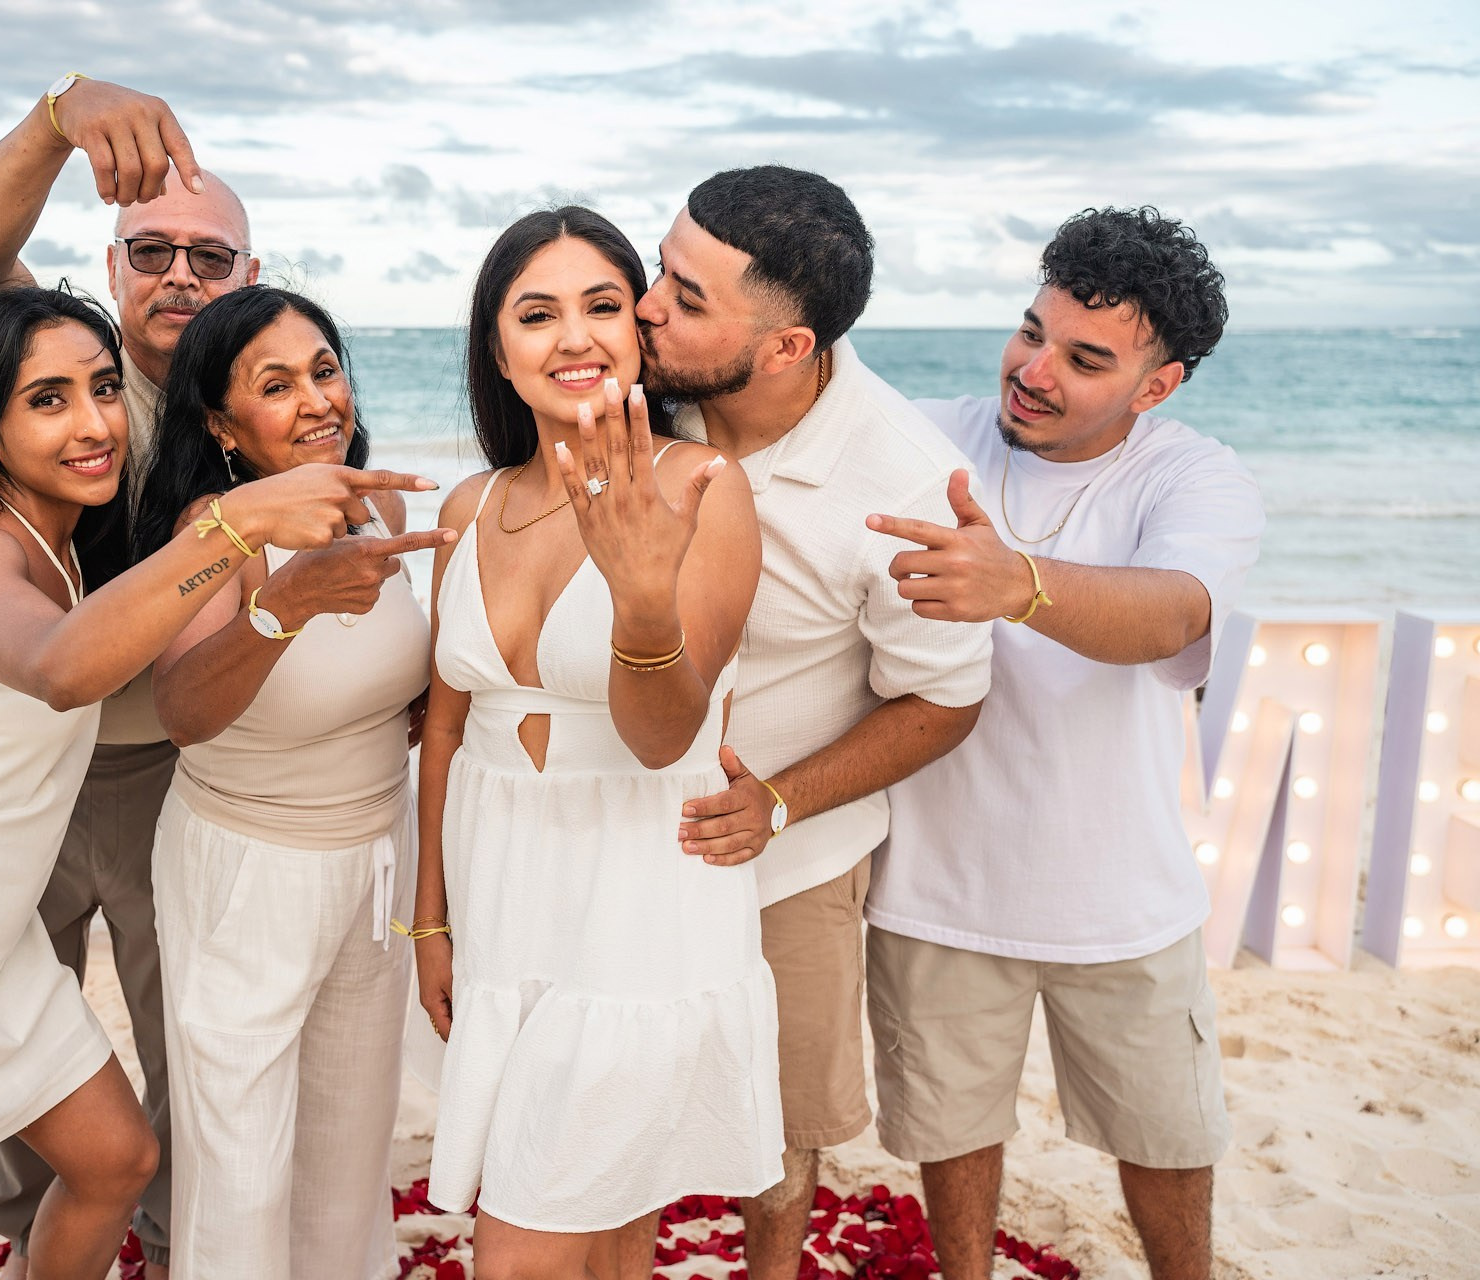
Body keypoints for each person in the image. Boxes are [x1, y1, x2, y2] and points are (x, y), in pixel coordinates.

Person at [0, 285, 439, 1280]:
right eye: (48, 399)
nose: (95, 421)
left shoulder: (68, 543)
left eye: (103, 387)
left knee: (117, 1162)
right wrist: (235, 529)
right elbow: (63, 666)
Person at [866, 207, 1264, 1280]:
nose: (1033, 370)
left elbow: (1175, 611)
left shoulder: (1194, 477)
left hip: (1122, 895)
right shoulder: (923, 436)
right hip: (933, 888)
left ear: (1157, 384)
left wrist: (1019, 585)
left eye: (1085, 358)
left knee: (1170, 1140)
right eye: (1029, 331)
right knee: (951, 1135)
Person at [634, 165, 992, 1280]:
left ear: (787, 347)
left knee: (782, 1134)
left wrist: (780, 802)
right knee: (614, 1101)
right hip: (609, 824)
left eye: (687, 299)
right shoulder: (634, 385)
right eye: (660, 266)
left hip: (793, 854)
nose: (645, 304)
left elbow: (945, 695)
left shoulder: (905, 484)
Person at [414, 207, 780, 1280]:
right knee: (611, 1223)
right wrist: (428, 918)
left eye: (602, 306)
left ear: (639, 330)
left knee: (519, 1246)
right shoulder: (467, 505)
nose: (574, 336)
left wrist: (642, 597)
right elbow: (442, 725)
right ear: (498, 347)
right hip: (504, 890)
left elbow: (667, 736)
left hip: (636, 900)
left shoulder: (701, 488)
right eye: (538, 313)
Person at [0, 77, 249, 1276]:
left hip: (174, 762)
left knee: (187, 1031)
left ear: (249, 268)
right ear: (110, 264)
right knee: (20, 1011)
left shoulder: (252, 390)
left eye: (209, 255)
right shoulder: (62, 367)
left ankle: (176, 1240)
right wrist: (56, 117)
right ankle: (23, 1240)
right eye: (151, 249)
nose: (179, 274)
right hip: (23, 756)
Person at [131, 286, 442, 1280]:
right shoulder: (208, 530)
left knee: (350, 1145)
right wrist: (281, 608)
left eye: (325, 367)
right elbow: (180, 708)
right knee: (242, 1160)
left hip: (377, 859)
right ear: (222, 424)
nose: (318, 401)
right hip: (248, 871)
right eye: (277, 384)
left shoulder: (377, 499)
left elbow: (395, 678)